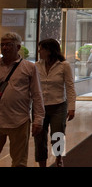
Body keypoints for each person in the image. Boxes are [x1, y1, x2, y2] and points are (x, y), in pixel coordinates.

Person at [0, 32, 44, 167]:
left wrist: (38, 119)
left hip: (20, 120)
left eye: (9, 45)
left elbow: (37, 94)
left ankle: (59, 158)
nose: (5, 48)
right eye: (2, 45)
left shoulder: (29, 67)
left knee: (19, 161)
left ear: (18, 47)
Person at [35, 38, 76, 167]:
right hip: (40, 107)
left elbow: (70, 86)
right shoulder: (36, 66)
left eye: (41, 48)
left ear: (50, 50)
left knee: (57, 135)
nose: (39, 51)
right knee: (39, 137)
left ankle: (58, 159)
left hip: (58, 105)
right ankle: (42, 164)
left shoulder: (64, 66)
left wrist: (72, 107)